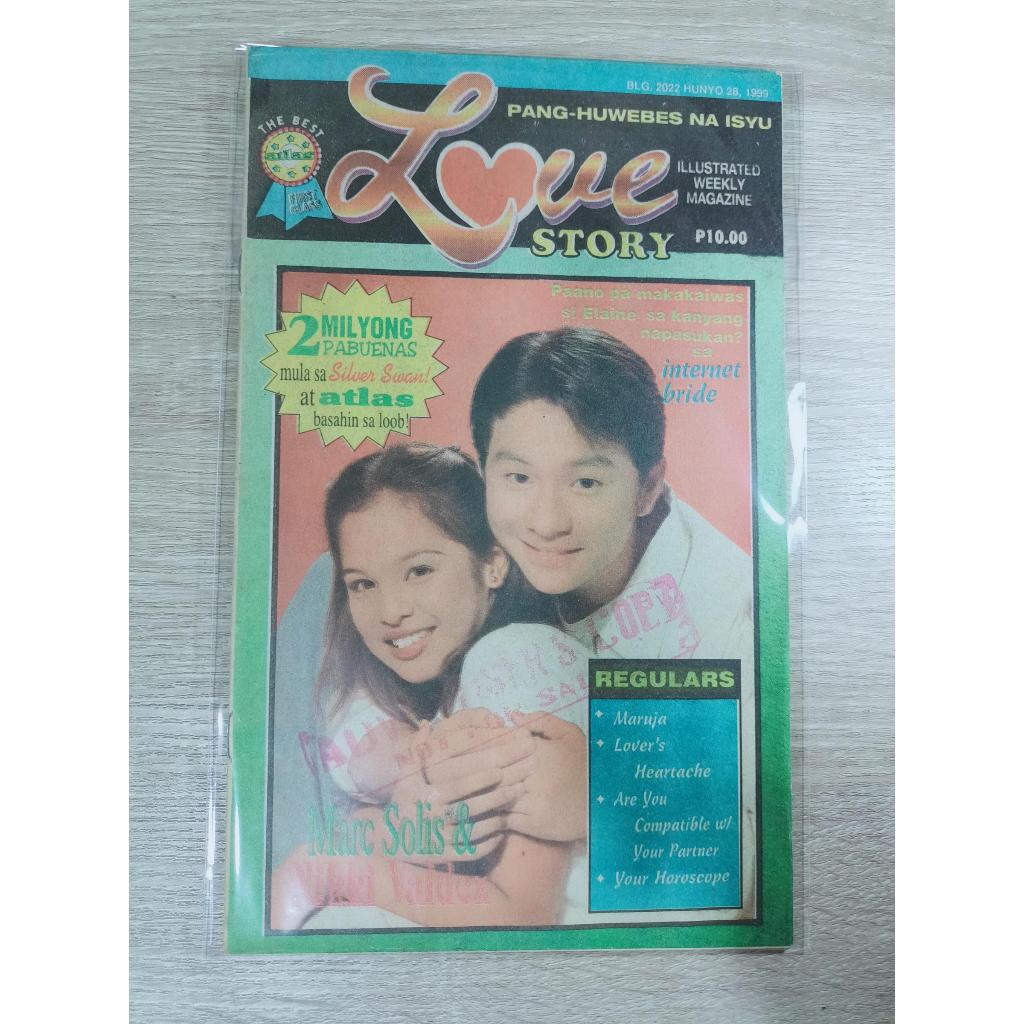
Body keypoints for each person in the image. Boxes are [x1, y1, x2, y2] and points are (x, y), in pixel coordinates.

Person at [271, 444, 587, 929]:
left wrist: (326, 870)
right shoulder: (425, 687)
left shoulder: (515, 658)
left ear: (493, 563)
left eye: (419, 571)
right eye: (363, 584)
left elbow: (523, 909)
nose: (391, 611)